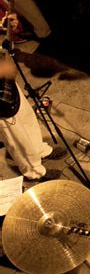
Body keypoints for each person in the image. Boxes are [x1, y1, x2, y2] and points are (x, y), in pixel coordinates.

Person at [0, 29, 62, 182]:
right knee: (15, 134)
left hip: (5, 81)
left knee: (26, 117)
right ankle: (33, 171)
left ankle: (39, 150)